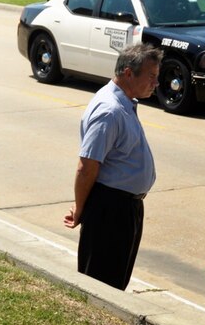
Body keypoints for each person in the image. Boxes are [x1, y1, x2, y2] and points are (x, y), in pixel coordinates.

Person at [64, 43, 161, 289]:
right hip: (110, 211)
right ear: (129, 73)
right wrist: (80, 209)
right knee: (101, 285)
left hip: (124, 209)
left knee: (116, 280)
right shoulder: (110, 111)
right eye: (151, 77)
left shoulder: (124, 104)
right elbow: (87, 166)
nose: (156, 84)